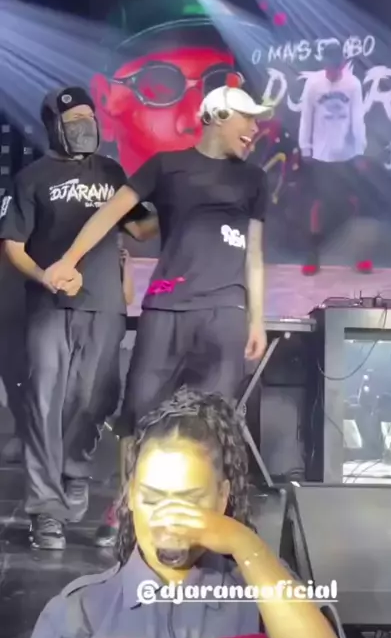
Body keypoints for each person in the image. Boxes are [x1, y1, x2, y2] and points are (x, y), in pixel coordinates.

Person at [43, 85, 271, 545]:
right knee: (140, 413)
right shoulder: (166, 166)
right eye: (246, 119)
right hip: (166, 308)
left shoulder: (254, 180)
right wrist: (69, 259)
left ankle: (203, 517)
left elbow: (255, 255)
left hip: (224, 311)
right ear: (217, 116)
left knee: (214, 422)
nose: (254, 129)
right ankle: (127, 506)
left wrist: (257, 320)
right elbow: (109, 216)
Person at [24, 389, 346, 638]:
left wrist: (245, 546)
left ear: (222, 497)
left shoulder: (261, 597)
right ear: (131, 494)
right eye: (152, 499)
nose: (170, 519)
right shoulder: (79, 612)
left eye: (189, 501)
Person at [0, 86, 157, 550]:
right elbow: (12, 246)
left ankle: (74, 469)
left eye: (90, 117)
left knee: (96, 398)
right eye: (74, 120)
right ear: (54, 126)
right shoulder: (31, 179)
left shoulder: (111, 173)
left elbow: (141, 228)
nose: (84, 126)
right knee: (43, 403)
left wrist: (173, 201)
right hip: (48, 307)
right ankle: (45, 511)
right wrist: (45, 275)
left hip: (105, 305)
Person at [298, 42, 371, 276]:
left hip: (347, 154)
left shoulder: (353, 83)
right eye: (328, 66)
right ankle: (313, 254)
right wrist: (305, 148)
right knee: (317, 204)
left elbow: (358, 118)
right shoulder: (313, 83)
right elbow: (306, 116)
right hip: (321, 153)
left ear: (342, 64)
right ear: (324, 64)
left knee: (355, 203)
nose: (331, 71)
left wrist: (360, 151)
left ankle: (361, 254)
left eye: (335, 66)